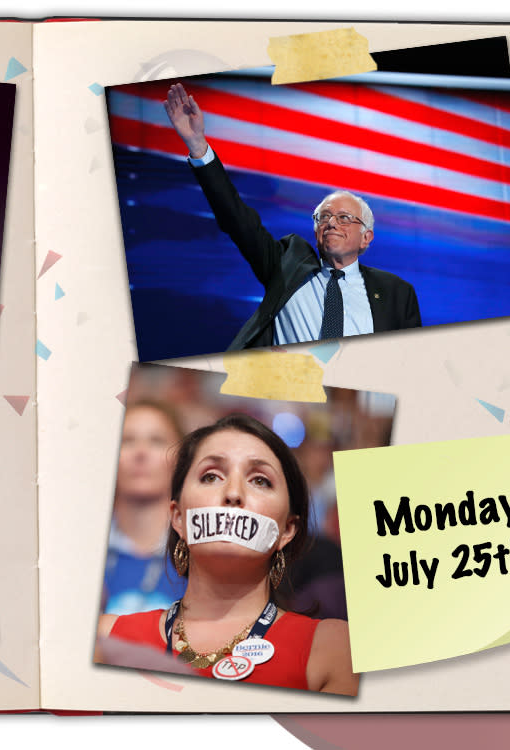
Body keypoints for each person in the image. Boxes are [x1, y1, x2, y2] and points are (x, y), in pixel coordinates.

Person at [98, 414, 359, 695]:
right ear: (178, 518)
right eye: (211, 476)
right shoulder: (106, 637)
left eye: (260, 481)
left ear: (288, 529)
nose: (233, 493)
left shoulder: (333, 648)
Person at [163, 83, 420, 350]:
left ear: (366, 237)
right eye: (323, 216)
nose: (331, 222)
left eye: (344, 218)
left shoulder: (397, 292)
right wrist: (198, 146)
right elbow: (238, 220)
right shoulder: (286, 265)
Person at [102, 402, 186, 616]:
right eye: (127, 440)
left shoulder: (201, 558)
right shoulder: (77, 552)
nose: (141, 452)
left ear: (180, 459)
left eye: (156, 441)